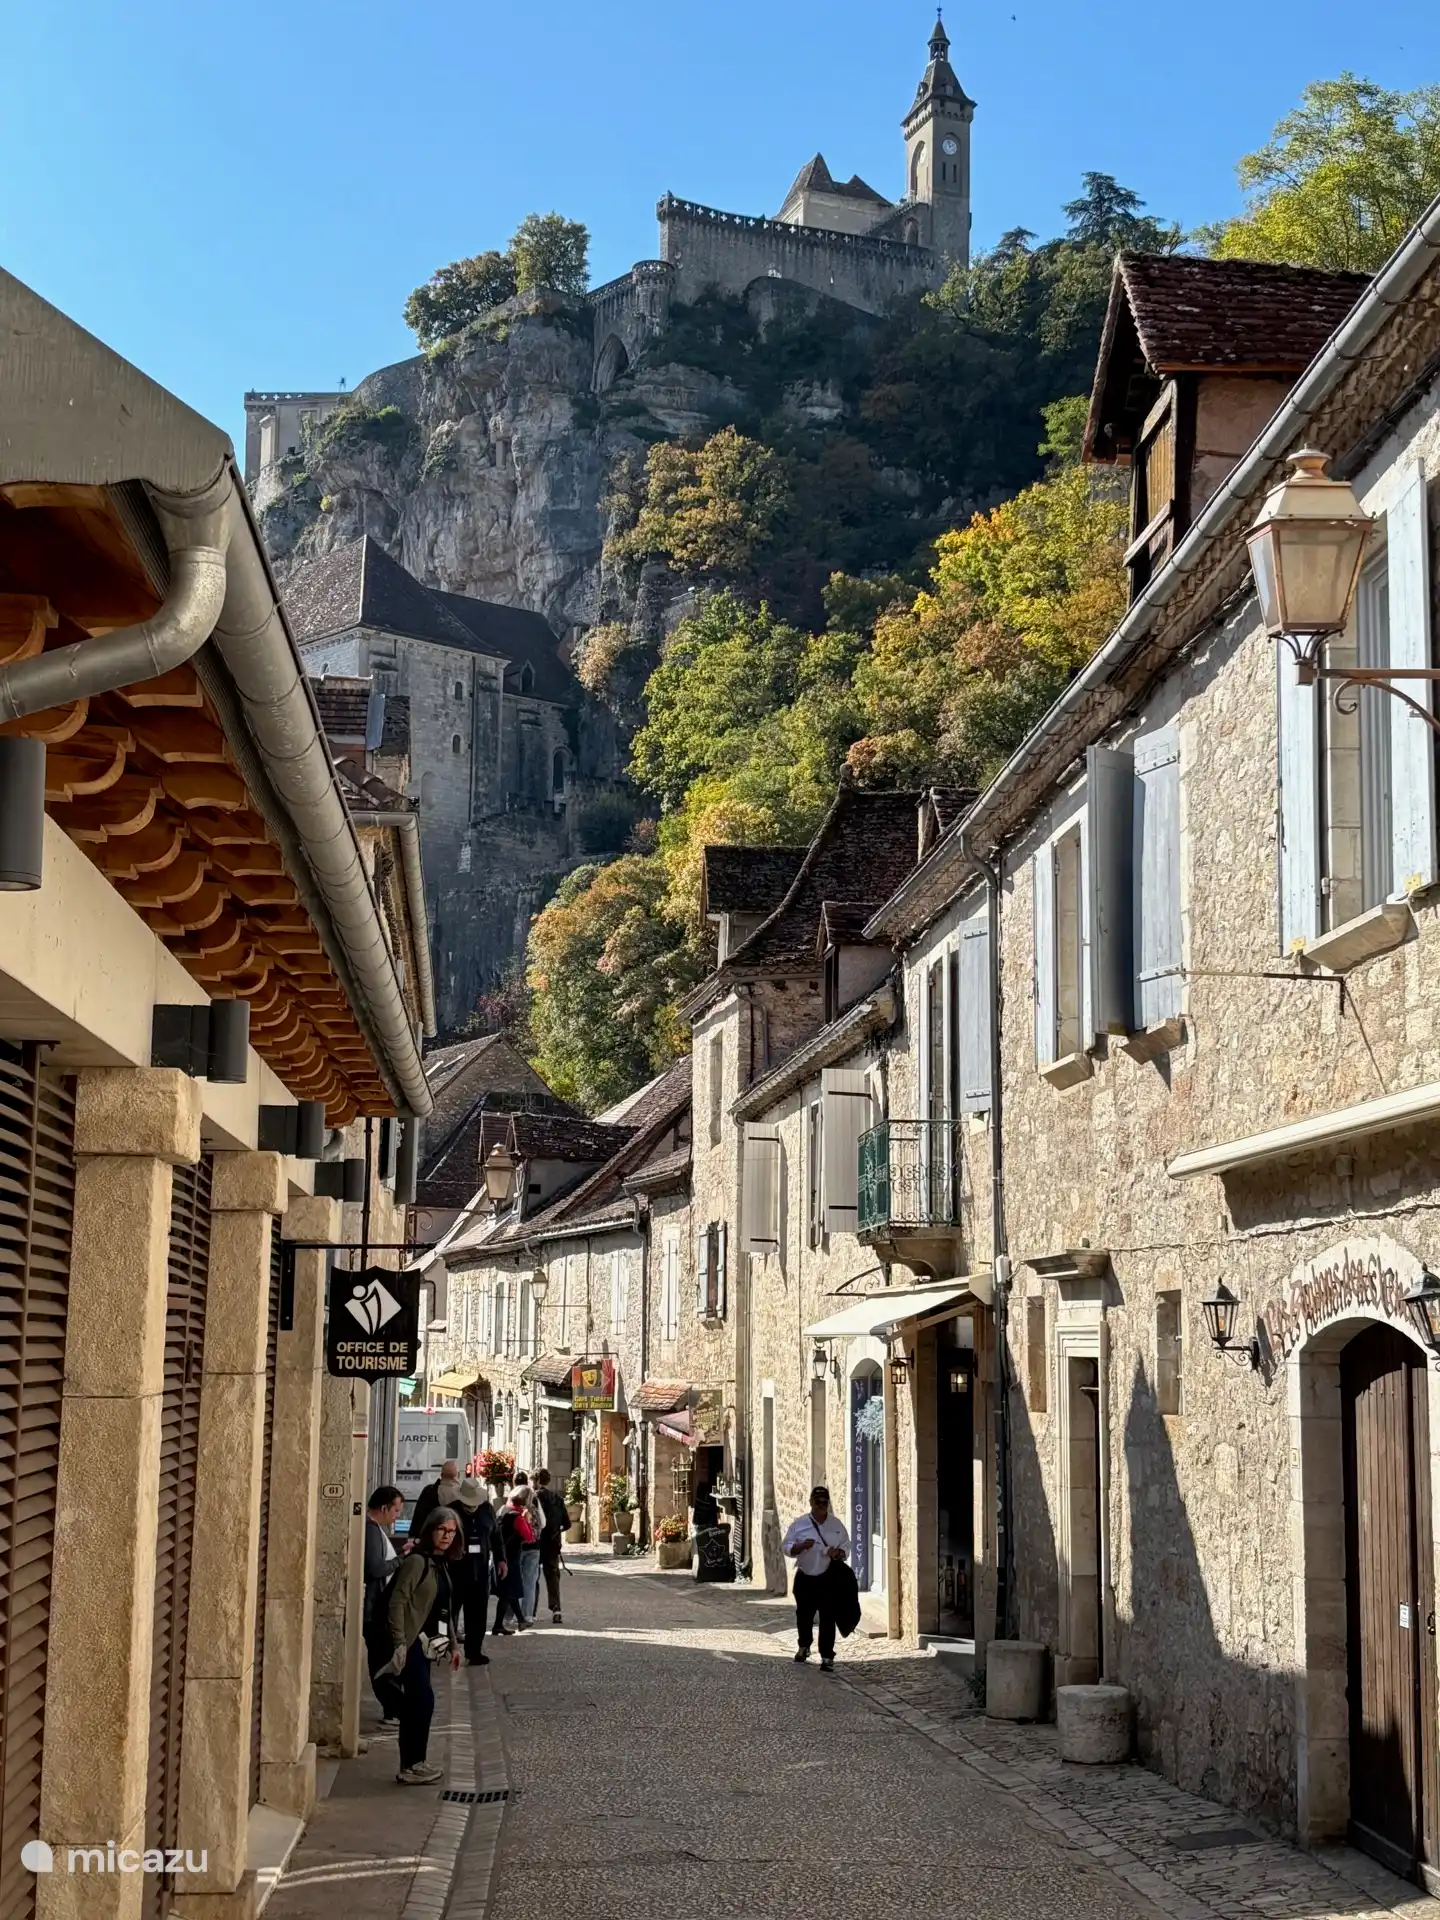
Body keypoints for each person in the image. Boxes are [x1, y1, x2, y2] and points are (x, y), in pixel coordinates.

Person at [369, 1505, 464, 1784]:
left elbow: (443, 1609)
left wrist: (453, 1645)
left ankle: (415, 1763)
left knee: (419, 1703)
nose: (446, 1536)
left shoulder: (440, 1562)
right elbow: (397, 1601)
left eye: (452, 1531)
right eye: (441, 1530)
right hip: (409, 1642)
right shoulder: (417, 1562)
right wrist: (399, 1642)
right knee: (420, 1703)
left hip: (425, 1645)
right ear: (430, 1530)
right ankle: (411, 1765)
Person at [782, 1485, 850, 1672]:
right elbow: (786, 1546)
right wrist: (800, 1546)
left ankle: (827, 1656)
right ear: (811, 1502)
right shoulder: (800, 1524)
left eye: (825, 1502)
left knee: (828, 1617)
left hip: (828, 1577)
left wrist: (839, 1553)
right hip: (805, 1576)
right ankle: (804, 1646)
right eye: (818, 1502)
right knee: (804, 1615)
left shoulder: (836, 1525)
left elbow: (846, 1546)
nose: (821, 1505)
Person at [450, 1475, 506, 1664]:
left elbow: (496, 1536)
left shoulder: (486, 1509)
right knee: (449, 1610)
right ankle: (444, 1648)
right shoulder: (451, 1511)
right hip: (456, 1570)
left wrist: (501, 1560)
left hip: (480, 1570)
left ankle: (474, 1652)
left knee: (478, 1613)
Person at [493, 1489, 536, 1635]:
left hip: (501, 1555)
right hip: (512, 1557)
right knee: (509, 1591)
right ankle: (506, 1623)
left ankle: (513, 1621)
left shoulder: (503, 1512)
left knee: (507, 1592)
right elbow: (529, 1537)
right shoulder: (518, 1517)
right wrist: (527, 1520)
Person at [364, 1485, 404, 1631]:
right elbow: (377, 1568)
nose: (397, 1516)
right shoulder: (371, 1529)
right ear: (384, 1508)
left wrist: (400, 1552)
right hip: (371, 1605)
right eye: (396, 1510)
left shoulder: (372, 1527)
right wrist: (400, 1560)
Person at [534, 1469, 568, 1625]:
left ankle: (531, 1611)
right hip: (553, 1543)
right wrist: (556, 1530)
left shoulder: (533, 1498)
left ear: (536, 1480)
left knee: (532, 1577)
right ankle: (556, 1610)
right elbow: (567, 1523)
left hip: (536, 1542)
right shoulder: (557, 1499)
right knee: (553, 1578)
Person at [512, 1472, 544, 1623]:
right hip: (534, 1546)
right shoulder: (534, 1503)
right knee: (530, 1581)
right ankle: (528, 1615)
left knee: (515, 1580)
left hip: (517, 1547)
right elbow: (543, 1523)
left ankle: (513, 1615)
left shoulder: (511, 1502)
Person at [411, 1459, 460, 1534]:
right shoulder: (463, 1494)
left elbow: (418, 1518)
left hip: (431, 1536)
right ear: (458, 1475)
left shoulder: (429, 1491)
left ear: (441, 1475)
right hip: (455, 1537)